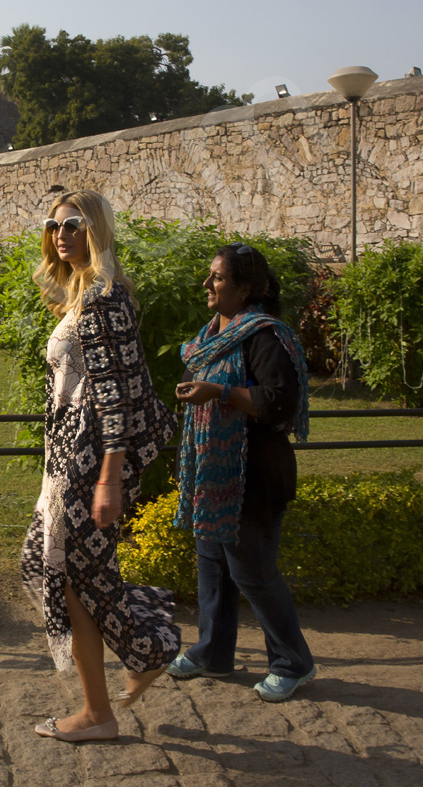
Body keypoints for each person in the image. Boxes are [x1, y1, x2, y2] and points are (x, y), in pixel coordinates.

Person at [20, 189, 180, 742]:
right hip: (67, 458)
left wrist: (110, 477)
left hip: (90, 463)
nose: (61, 234)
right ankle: (130, 668)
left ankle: (135, 662)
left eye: (74, 225)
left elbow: (117, 397)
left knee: (62, 570)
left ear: (98, 230)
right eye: (54, 225)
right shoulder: (83, 297)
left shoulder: (105, 299)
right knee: (58, 570)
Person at [170, 242, 316, 702]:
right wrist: (206, 389)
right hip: (214, 467)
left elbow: (279, 403)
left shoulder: (264, 336)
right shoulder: (214, 333)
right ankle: (213, 653)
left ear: (245, 287)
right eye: (210, 276)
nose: (207, 284)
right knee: (212, 565)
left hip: (253, 472)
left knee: (252, 571)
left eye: (217, 277)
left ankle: (295, 662)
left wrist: (221, 392)